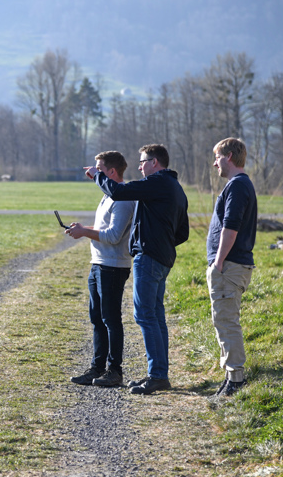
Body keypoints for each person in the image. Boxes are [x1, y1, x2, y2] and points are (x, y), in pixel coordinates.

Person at [83, 144, 189, 395]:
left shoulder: (157, 182)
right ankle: (159, 373)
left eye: (143, 161)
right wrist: (163, 243)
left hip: (149, 258)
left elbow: (118, 192)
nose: (139, 166)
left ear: (155, 162)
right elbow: (182, 233)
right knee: (156, 316)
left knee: (144, 315)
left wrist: (97, 175)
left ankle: (158, 375)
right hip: (162, 258)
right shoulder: (176, 188)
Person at [67, 151, 136, 387]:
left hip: (113, 267)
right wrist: (83, 228)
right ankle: (97, 368)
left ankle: (114, 371)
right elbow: (103, 228)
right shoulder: (107, 196)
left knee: (110, 319)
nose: (93, 173)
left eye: (99, 169)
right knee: (97, 318)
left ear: (112, 172)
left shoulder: (123, 198)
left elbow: (115, 236)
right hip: (98, 264)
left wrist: (85, 232)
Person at [207, 138, 257, 397]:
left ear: (228, 156)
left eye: (217, 157)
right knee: (223, 320)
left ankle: (236, 381)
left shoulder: (237, 186)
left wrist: (218, 261)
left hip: (229, 266)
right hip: (229, 265)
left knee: (227, 322)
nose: (214, 162)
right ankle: (230, 378)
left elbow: (231, 226)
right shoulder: (237, 185)